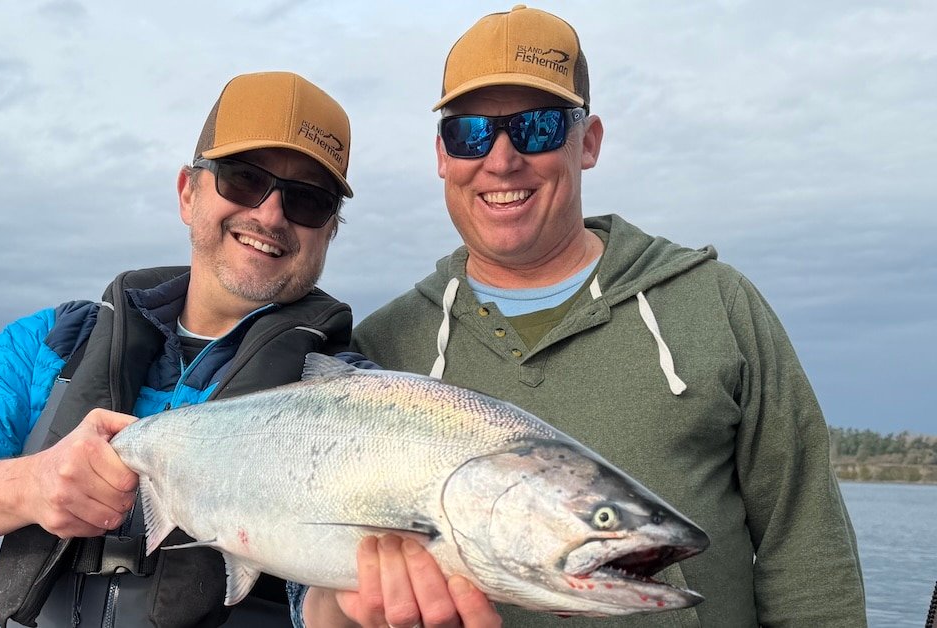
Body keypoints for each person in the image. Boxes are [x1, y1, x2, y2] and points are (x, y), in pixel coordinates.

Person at [297, 5, 866, 628]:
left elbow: (807, 549)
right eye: (471, 131)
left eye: (537, 127)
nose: (502, 157)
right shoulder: (378, 352)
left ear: (588, 142)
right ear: (442, 154)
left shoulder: (719, 306)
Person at [0, 71, 358, 628]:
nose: (269, 214)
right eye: (242, 179)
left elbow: (325, 606)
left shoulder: (351, 396)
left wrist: (367, 601)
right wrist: (29, 484)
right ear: (188, 192)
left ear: (330, 229)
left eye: (307, 200)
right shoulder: (51, 344)